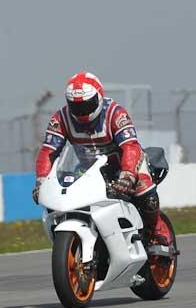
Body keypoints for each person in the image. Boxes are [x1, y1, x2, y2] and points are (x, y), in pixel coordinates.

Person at [32, 71, 171, 246]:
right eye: (76, 106)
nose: (82, 112)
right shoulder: (60, 119)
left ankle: (156, 229)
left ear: (99, 97)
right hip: (89, 169)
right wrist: (41, 180)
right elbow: (48, 152)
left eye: (87, 105)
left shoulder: (115, 113)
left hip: (125, 164)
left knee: (143, 189)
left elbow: (130, 146)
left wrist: (127, 174)